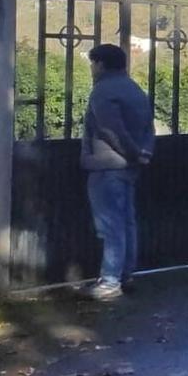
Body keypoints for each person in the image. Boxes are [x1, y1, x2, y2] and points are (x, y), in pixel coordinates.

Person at [78, 43, 154, 301]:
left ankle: (110, 281)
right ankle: (126, 275)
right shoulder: (135, 89)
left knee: (111, 226)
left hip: (107, 165)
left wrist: (131, 152)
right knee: (127, 222)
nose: (91, 68)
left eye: (92, 63)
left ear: (100, 64)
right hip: (130, 168)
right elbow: (148, 127)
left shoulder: (103, 91)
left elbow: (111, 130)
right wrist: (143, 154)